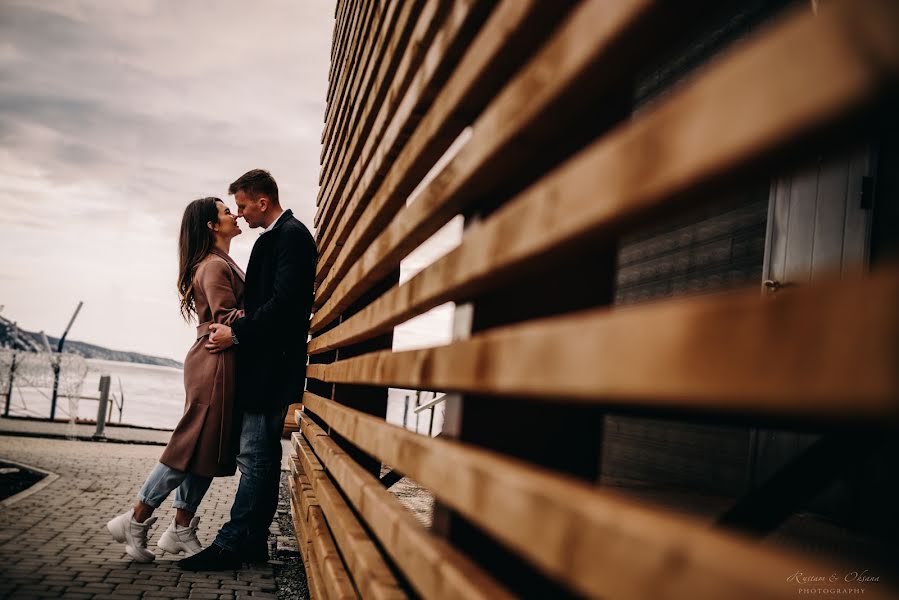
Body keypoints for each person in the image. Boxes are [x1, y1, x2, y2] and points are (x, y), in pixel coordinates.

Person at [179, 169, 316, 570]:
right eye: (233, 207)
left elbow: (286, 307)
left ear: (262, 201)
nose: (239, 214)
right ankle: (251, 542)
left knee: (256, 456)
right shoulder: (275, 239)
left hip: (273, 367)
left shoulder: (290, 236)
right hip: (264, 365)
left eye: (241, 205)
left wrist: (236, 334)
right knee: (258, 456)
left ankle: (233, 542)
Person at [106, 197, 244, 562]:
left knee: (206, 450)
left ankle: (180, 529)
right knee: (188, 446)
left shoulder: (220, 262)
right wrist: (271, 310)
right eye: (226, 211)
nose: (234, 214)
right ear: (212, 226)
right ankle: (135, 519)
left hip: (219, 364)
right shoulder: (214, 266)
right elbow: (227, 317)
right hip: (214, 365)